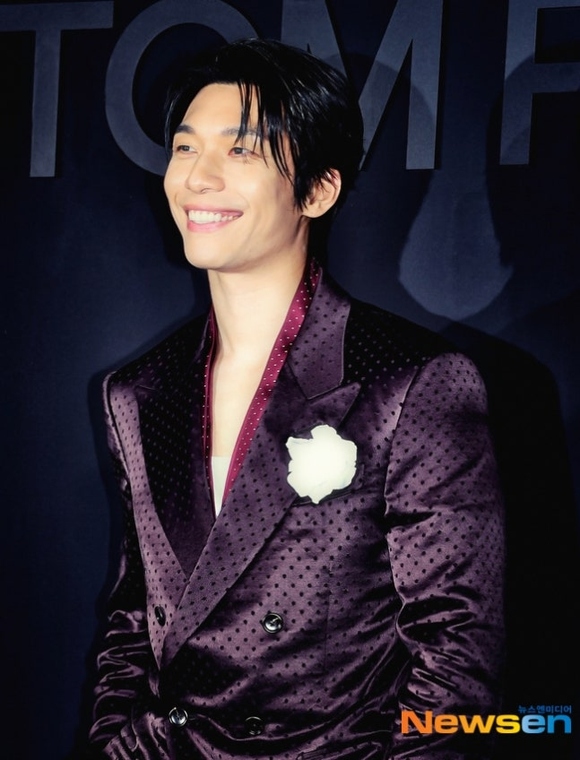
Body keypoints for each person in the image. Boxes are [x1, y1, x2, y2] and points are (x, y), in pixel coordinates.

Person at [87, 38, 505, 759]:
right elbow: (133, 618)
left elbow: (457, 652)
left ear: (317, 191)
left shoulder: (411, 380)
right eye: (185, 148)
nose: (198, 177)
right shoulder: (138, 391)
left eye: (241, 151)